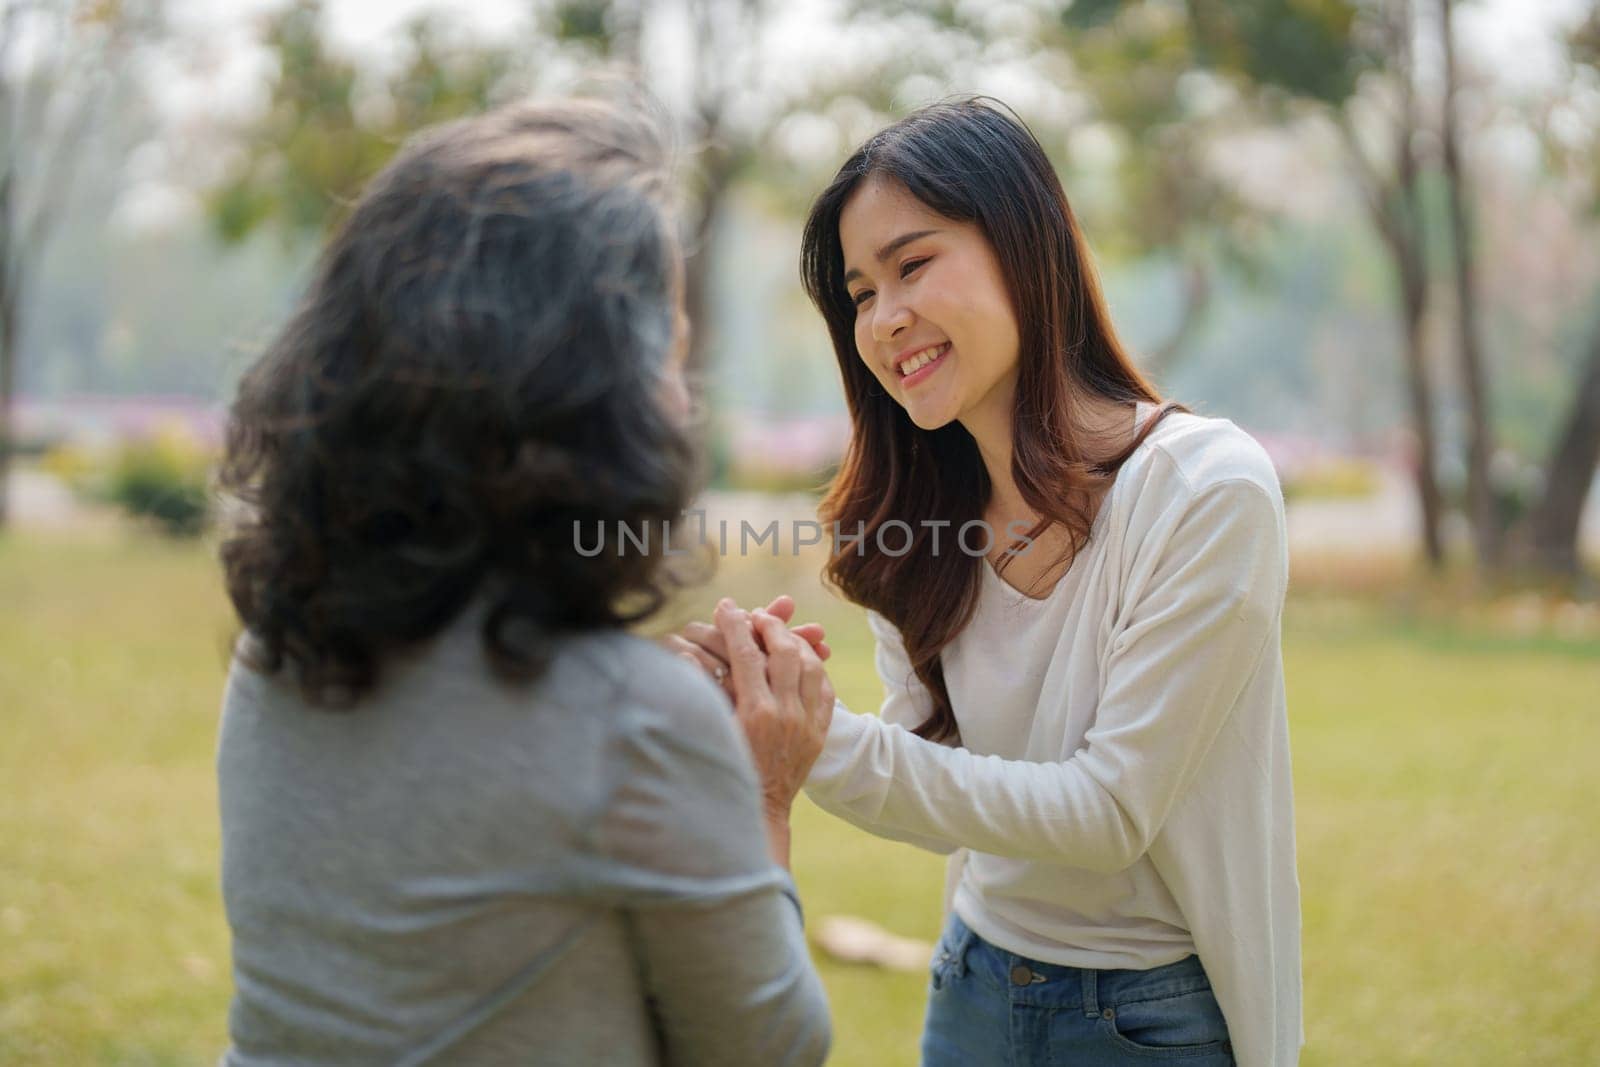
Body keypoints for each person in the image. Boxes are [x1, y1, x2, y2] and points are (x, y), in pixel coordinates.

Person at [671, 98, 1302, 1066]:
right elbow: (945, 775)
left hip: (1146, 1016)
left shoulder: (1205, 489)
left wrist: (817, 742)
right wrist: (775, 699)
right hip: (971, 979)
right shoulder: (915, 516)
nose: (884, 318)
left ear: (1022, 245)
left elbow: (1108, 812)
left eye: (912, 264)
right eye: (859, 293)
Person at [213, 98, 833, 1066]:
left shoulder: (278, 650)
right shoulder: (635, 722)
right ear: (588, 393)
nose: (685, 396)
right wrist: (760, 786)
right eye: (670, 352)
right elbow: (767, 1047)